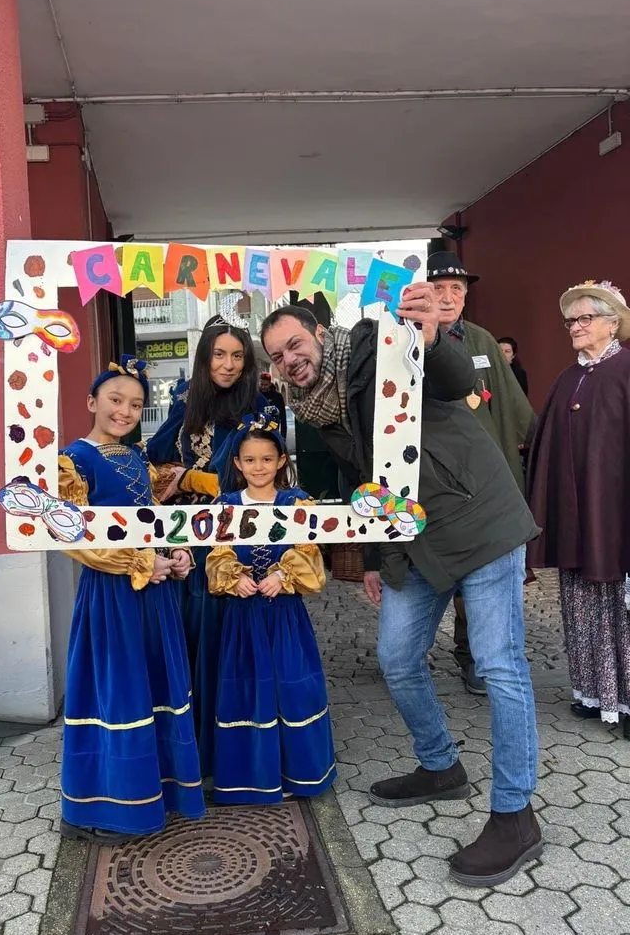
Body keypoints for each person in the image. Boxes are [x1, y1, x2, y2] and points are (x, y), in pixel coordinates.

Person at [261, 293, 542, 888]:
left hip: (479, 518)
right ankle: (441, 766)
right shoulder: (317, 406)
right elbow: (364, 479)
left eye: (295, 344)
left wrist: (434, 337)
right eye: (278, 356)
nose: (290, 359)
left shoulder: (377, 343)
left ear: (319, 330)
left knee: (498, 665)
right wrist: (370, 555)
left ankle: (516, 815)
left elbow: (454, 378)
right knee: (396, 657)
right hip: (412, 540)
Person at [56, 355, 205, 842]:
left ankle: (158, 788)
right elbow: (74, 535)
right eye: (115, 400)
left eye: (136, 404)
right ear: (91, 402)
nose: (124, 411)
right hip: (113, 593)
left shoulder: (139, 455)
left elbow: (152, 519)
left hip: (155, 589)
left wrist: (174, 554)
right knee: (119, 690)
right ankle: (109, 807)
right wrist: (141, 564)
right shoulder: (73, 460)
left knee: (154, 685)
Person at [146, 316, 282, 775]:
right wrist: (176, 476)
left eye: (237, 356)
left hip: (230, 537)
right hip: (183, 536)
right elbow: (155, 457)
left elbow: (237, 477)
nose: (227, 365)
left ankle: (230, 751)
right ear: (205, 359)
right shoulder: (187, 402)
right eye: (219, 354)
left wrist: (185, 477)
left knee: (224, 635)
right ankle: (187, 747)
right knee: (185, 635)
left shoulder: (260, 409)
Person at [206, 413, 336, 803]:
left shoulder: (297, 502)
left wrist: (284, 574)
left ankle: (300, 775)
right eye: (249, 460)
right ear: (237, 464)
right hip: (243, 617)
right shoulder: (226, 504)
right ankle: (251, 778)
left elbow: (310, 549)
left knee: (292, 687)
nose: (258, 467)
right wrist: (233, 576)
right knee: (248, 690)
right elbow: (216, 553)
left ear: (281, 461)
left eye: (266, 459)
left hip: (284, 615)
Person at [427, 252, 536, 695]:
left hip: (484, 474)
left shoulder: (483, 341)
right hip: (440, 475)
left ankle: (477, 654)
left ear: (466, 295)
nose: (448, 297)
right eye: (438, 289)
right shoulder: (410, 338)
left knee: (488, 564)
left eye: (456, 289)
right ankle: (459, 649)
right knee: (451, 565)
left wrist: (537, 440)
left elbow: (509, 401)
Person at [527, 280, 630, 740]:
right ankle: (593, 693)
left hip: (618, 517)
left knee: (620, 606)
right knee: (580, 600)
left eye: (585, 318)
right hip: (577, 516)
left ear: (613, 323)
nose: (575, 327)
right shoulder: (568, 378)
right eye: (571, 320)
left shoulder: (627, 370)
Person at [259, 372, 287, 440]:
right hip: (259, 431)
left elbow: (283, 417)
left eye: (266, 385)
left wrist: (283, 436)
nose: (263, 387)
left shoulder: (278, 396)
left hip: (273, 430)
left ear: (270, 384)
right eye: (262, 384)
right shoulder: (256, 396)